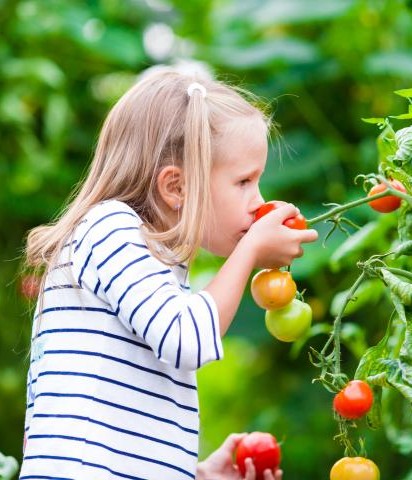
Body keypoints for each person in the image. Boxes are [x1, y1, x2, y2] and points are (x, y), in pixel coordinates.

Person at [20, 69, 317, 480]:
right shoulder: (110, 229)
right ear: (175, 187)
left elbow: (127, 433)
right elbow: (186, 340)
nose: (259, 201)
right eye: (244, 181)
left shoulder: (155, 263)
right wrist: (249, 251)